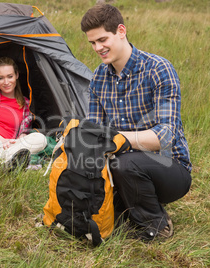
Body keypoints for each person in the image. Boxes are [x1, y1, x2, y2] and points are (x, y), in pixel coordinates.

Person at [81, 4, 192, 240]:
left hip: (171, 168)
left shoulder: (159, 69)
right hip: (119, 164)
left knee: (125, 163)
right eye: (92, 43)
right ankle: (125, 212)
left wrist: (114, 138)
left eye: (102, 39)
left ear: (121, 31)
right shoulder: (98, 79)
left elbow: (165, 137)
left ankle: (157, 225)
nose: (98, 48)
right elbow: (96, 132)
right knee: (87, 168)